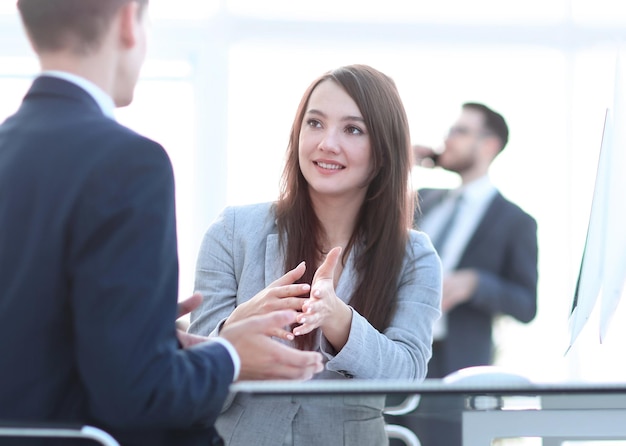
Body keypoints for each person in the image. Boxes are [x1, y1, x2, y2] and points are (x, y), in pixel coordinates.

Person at [0, 1, 324, 445]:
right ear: (130, 20)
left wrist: (146, 330)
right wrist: (229, 357)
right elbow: (140, 396)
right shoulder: (129, 162)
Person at [188, 64, 442, 446]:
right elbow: (195, 387)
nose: (327, 143)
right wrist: (236, 327)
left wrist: (340, 321)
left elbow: (405, 377)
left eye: (352, 129)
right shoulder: (233, 231)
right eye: (315, 123)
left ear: (383, 150)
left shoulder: (414, 257)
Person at [404, 102, 538, 446]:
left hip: (456, 366)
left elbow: (526, 305)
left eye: (460, 132)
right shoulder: (423, 200)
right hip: (399, 356)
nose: (448, 139)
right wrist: (401, 162)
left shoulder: (515, 221)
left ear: (489, 145)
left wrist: (477, 284)